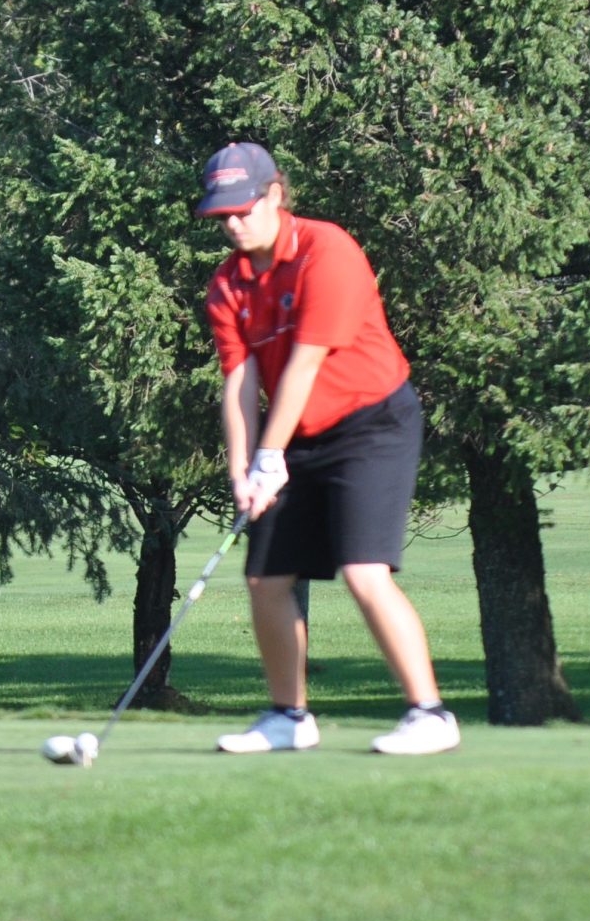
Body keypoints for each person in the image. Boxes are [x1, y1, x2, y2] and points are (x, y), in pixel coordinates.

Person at [195, 142, 459, 757]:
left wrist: (269, 456)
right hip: (299, 437)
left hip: (373, 423)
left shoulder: (327, 250)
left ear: (275, 196)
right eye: (221, 215)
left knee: (364, 572)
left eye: (243, 209)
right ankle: (289, 716)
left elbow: (306, 363)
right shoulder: (228, 286)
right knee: (265, 579)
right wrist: (242, 469)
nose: (233, 224)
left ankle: (431, 714)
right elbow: (240, 381)